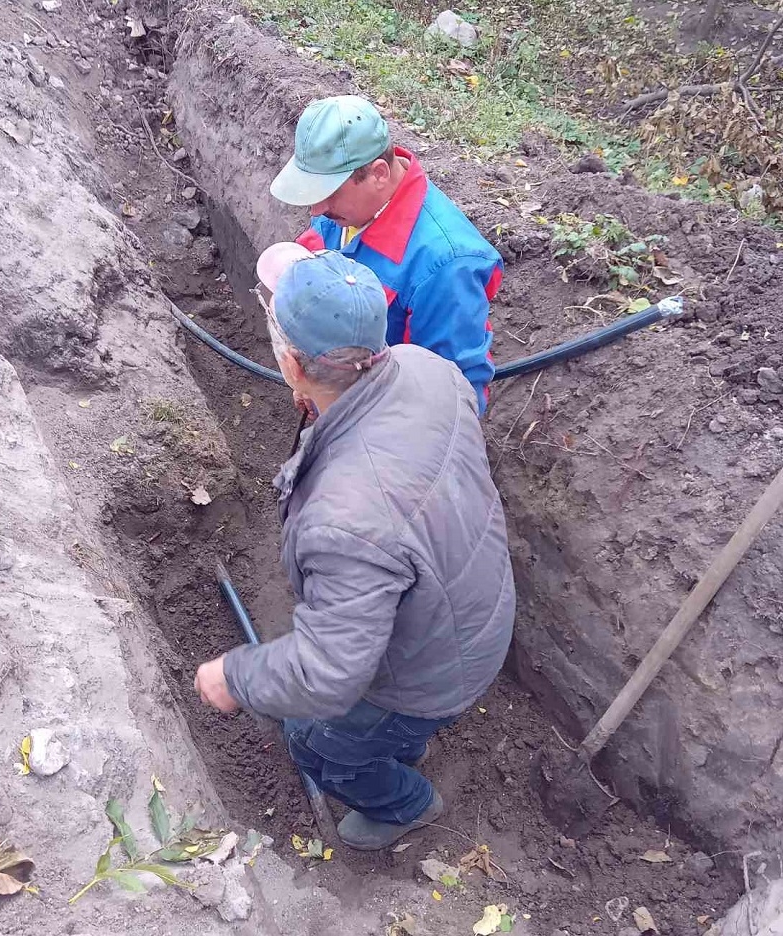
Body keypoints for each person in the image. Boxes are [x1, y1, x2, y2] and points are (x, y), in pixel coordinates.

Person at [195, 247, 516, 850]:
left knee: (316, 743)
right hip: (475, 613)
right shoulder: (429, 369)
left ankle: (407, 803)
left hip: (435, 672)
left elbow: (327, 674)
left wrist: (234, 675)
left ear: (291, 362)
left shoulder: (346, 520)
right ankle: (404, 741)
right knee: (362, 722)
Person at [269, 94, 502, 415]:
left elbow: (453, 398)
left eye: (328, 193)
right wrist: (313, 378)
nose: (316, 209)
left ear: (378, 173)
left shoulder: (446, 264)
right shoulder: (343, 210)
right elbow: (315, 256)